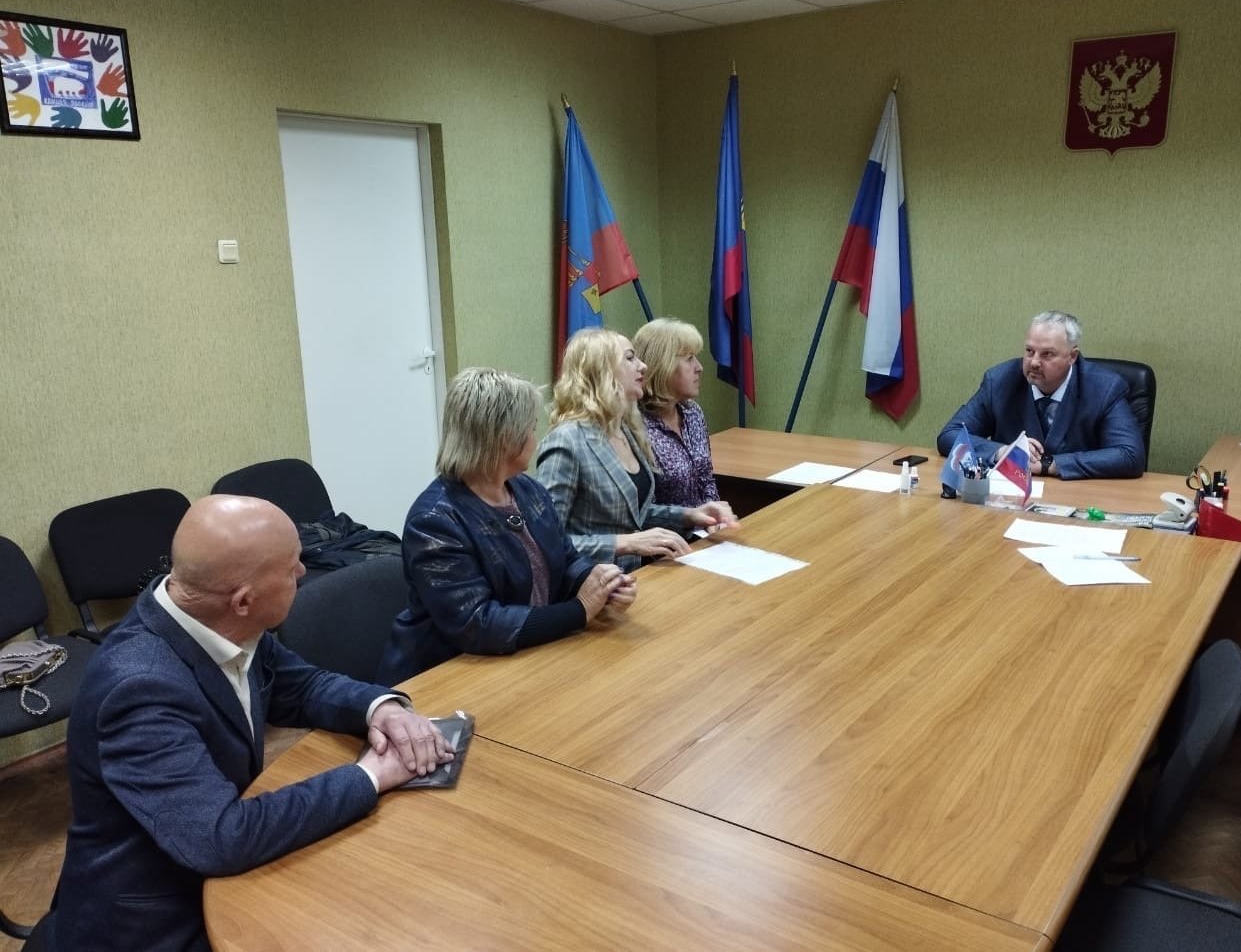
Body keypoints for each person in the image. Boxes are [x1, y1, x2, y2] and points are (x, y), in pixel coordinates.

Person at [44, 495, 455, 952]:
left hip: (205, 864)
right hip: (152, 921)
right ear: (243, 600)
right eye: (292, 568)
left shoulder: (214, 621)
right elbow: (219, 839)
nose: (304, 572)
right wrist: (370, 776)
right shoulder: (138, 691)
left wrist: (381, 709)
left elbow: (302, 686)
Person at [375, 368, 635, 685]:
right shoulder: (434, 521)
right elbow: (479, 624)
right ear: (505, 438)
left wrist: (600, 582)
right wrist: (580, 610)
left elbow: (566, 559)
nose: (536, 439)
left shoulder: (528, 490)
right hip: (446, 678)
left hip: (526, 659)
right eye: (531, 429)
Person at [536, 328, 738, 572]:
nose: (643, 366)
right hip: (590, 583)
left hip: (632, 577)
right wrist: (626, 543)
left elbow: (633, 515)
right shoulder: (567, 440)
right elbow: (545, 542)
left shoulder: (625, 430)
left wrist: (689, 515)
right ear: (603, 370)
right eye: (630, 358)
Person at [937, 311, 1145, 479]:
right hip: (1010, 498)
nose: (1034, 362)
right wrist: (1003, 452)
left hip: (1080, 497)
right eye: (1029, 351)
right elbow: (950, 435)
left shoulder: (1104, 387)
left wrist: (1051, 465)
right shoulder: (1000, 381)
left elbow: (1130, 455)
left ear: (1072, 356)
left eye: (1047, 354)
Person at [633, 317, 720, 508]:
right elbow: (643, 509)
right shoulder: (633, 425)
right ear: (662, 366)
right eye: (689, 359)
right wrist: (693, 519)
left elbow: (706, 479)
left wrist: (716, 515)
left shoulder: (692, 412)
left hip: (705, 524)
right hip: (670, 527)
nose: (699, 368)